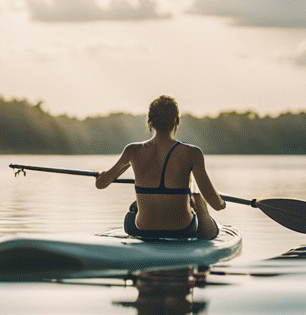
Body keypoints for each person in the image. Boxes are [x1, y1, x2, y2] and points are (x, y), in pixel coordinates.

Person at [95, 95, 225, 240]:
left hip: (142, 230)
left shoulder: (132, 151)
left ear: (150, 122)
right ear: (177, 121)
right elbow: (217, 205)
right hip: (182, 230)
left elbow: (101, 184)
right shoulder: (192, 153)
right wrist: (221, 202)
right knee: (197, 199)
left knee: (133, 209)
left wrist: (103, 175)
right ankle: (198, 208)